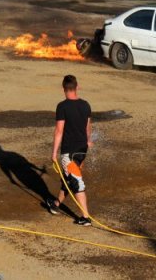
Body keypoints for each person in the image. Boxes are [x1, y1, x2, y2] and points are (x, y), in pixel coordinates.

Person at [46, 74, 93, 226]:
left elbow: (59, 131)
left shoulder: (62, 107)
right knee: (68, 178)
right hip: (82, 150)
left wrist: (54, 153)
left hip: (69, 152)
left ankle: (85, 217)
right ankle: (56, 205)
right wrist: (87, 140)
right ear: (77, 87)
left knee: (75, 181)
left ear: (63, 89)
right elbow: (87, 127)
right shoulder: (86, 105)